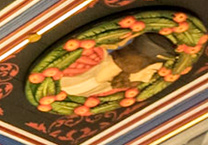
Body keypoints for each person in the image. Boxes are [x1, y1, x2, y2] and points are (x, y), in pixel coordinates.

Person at [44, 31, 181, 102]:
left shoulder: (110, 90)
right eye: (152, 70)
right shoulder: (90, 54)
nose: (147, 79)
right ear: (137, 61)